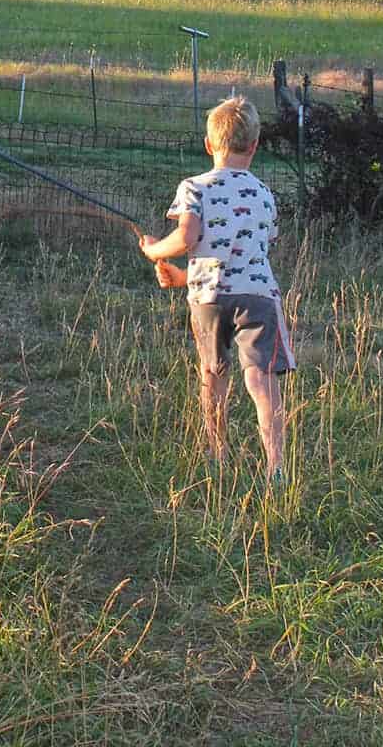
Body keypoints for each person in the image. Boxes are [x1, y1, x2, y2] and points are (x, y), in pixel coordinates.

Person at [139, 96, 295, 481]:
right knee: (261, 380)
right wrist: (179, 277)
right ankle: (276, 466)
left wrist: (154, 249)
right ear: (255, 145)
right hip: (258, 297)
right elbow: (245, 251)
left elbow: (189, 237)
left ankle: (216, 452)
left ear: (209, 144)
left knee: (213, 373)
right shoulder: (263, 194)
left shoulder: (193, 187)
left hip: (208, 299)